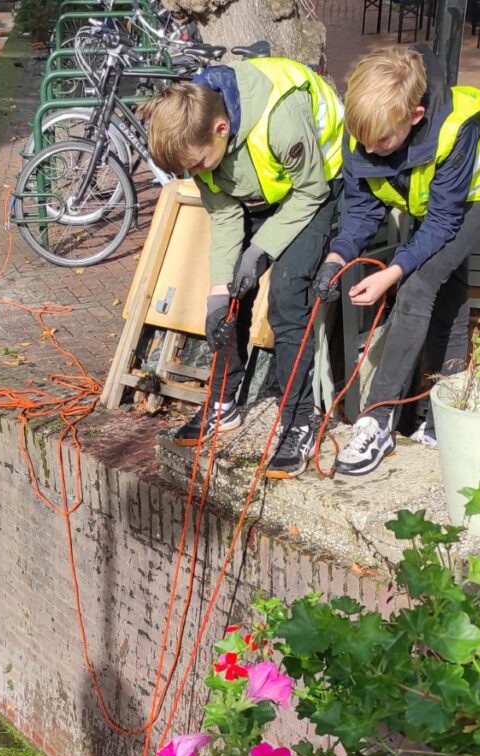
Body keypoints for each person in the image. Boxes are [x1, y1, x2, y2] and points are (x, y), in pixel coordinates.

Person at [314, 44, 480, 477]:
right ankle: (445, 412)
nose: (371, 149)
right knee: (451, 294)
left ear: (416, 117)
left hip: (478, 196)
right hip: (435, 206)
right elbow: (363, 211)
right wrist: (336, 257)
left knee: (419, 285)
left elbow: (443, 222)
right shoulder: (371, 131)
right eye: (364, 141)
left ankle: (378, 418)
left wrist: (391, 273)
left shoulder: (454, 131)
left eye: (382, 141)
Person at [143, 57, 344, 479]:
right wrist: (219, 291)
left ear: (222, 129)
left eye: (196, 166)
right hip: (261, 189)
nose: (193, 173)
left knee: (289, 298)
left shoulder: (280, 118)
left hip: (316, 188)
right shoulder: (197, 135)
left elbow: (311, 192)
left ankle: (299, 422)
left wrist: (261, 250)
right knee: (231, 295)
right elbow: (224, 213)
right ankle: (223, 403)